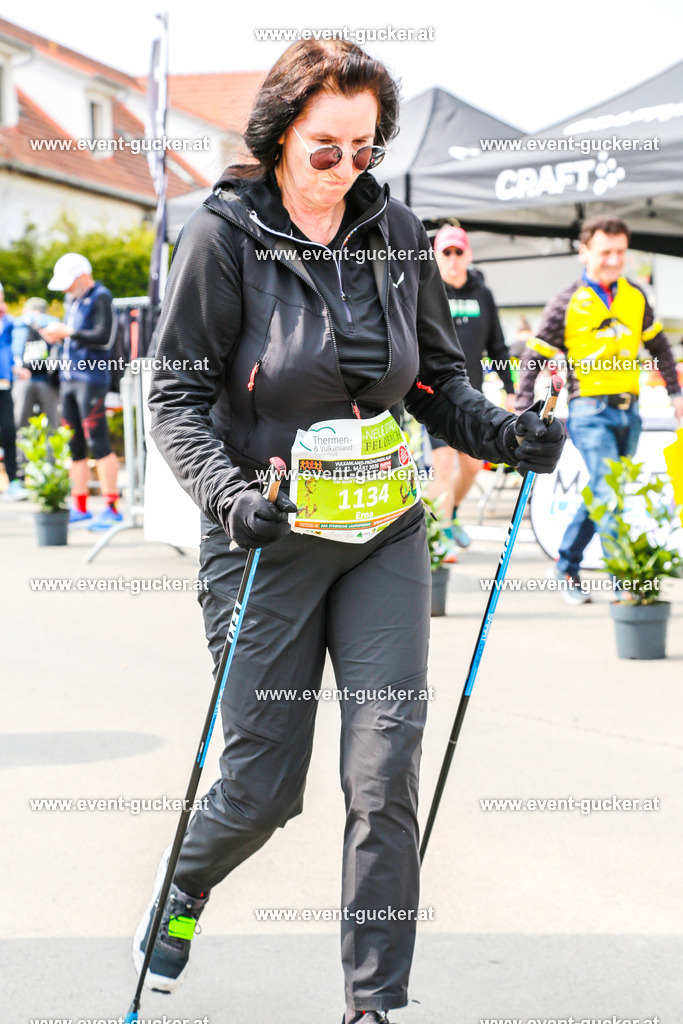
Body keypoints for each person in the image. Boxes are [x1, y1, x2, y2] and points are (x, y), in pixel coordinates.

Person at [137, 39, 564, 1024]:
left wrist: (507, 434)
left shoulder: (396, 232)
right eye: (323, 149)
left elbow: (434, 380)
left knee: (382, 772)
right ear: (280, 135)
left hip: (382, 532)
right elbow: (175, 396)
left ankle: (371, 1002)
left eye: (362, 152)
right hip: (264, 539)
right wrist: (230, 495)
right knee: (260, 788)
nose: (343, 170)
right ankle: (183, 885)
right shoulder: (223, 236)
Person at [516, 215, 683, 605]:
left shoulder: (636, 295)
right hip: (589, 411)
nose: (613, 260)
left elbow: (659, 347)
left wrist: (676, 394)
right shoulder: (566, 301)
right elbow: (533, 356)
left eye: (621, 252)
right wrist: (521, 409)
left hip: (632, 411)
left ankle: (565, 563)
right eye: (605, 251)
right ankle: (625, 580)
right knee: (609, 492)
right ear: (584, 251)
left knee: (604, 493)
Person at [426, 226, 516, 553]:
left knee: (474, 465)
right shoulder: (428, 290)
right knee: (445, 465)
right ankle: (441, 538)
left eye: (458, 252)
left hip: (472, 396)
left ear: (469, 255)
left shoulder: (483, 293)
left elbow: (498, 347)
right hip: (433, 395)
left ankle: (449, 513)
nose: (452, 259)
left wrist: (511, 389)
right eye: (446, 252)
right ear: (436, 256)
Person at [40, 253, 122, 530]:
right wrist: (56, 335)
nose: (65, 288)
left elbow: (105, 337)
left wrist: (67, 331)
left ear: (82, 275)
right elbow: (69, 336)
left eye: (69, 282)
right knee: (74, 445)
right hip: (69, 379)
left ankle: (111, 507)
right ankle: (80, 505)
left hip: (92, 378)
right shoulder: (71, 299)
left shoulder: (101, 295)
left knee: (99, 442)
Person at [11, 297, 61, 431]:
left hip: (22, 379)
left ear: (25, 310)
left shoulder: (16, 324)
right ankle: (52, 452)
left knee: (21, 424)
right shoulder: (53, 323)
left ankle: (22, 452)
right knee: (52, 424)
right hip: (48, 379)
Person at [0, 283, 27, 501]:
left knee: (9, 432)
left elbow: (12, 350)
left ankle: (13, 481)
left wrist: (16, 367)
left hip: (4, 383)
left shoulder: (9, 322)